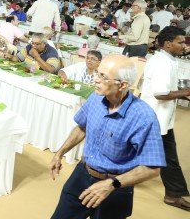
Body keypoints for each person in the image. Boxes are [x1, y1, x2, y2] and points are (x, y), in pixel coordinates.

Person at [49, 54, 165, 219]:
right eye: (98, 73)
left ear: (122, 84)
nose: (96, 79)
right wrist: (60, 153)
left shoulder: (143, 117)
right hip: (82, 174)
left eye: (103, 76)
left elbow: (152, 168)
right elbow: (82, 127)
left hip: (116, 187)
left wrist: (112, 184)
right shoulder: (96, 98)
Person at [141, 26, 190, 211]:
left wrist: (183, 93)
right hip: (154, 117)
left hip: (161, 118)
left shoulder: (168, 59)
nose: (184, 45)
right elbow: (161, 93)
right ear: (168, 44)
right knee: (167, 156)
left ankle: (173, 195)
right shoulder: (162, 62)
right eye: (181, 42)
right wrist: (186, 92)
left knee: (168, 156)